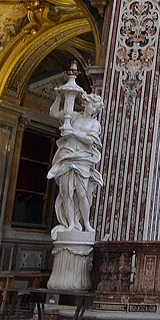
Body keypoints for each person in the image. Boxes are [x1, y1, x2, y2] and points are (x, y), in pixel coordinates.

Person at [48, 91, 105, 236]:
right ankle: (71, 224)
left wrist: (73, 132)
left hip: (82, 159)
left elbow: (91, 140)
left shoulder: (95, 124)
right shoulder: (72, 116)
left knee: (82, 193)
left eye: (96, 108)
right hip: (67, 155)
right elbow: (53, 113)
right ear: (86, 104)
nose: (94, 110)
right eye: (93, 106)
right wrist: (58, 97)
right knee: (66, 192)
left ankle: (86, 223)